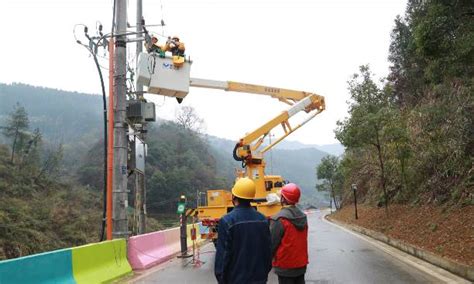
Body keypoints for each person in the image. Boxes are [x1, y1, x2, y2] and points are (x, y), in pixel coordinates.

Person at [214, 177, 272, 284]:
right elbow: (268, 252)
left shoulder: (227, 221)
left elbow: (222, 258)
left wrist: (222, 279)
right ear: (251, 197)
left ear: (234, 196)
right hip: (260, 279)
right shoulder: (263, 220)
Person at [270, 183, 308, 284]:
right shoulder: (303, 217)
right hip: (301, 265)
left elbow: (271, 244)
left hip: (285, 267)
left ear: (283, 198)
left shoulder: (279, 219)